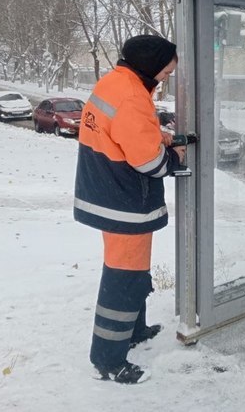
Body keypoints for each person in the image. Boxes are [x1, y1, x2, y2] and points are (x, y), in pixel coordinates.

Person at [74, 34, 186, 384]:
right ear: (151, 66)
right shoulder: (132, 98)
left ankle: (134, 331)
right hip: (125, 204)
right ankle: (108, 359)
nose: (165, 79)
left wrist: (158, 137)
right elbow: (149, 162)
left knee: (133, 274)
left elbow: (123, 136)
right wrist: (172, 157)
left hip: (109, 195)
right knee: (124, 280)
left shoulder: (114, 83)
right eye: (165, 73)